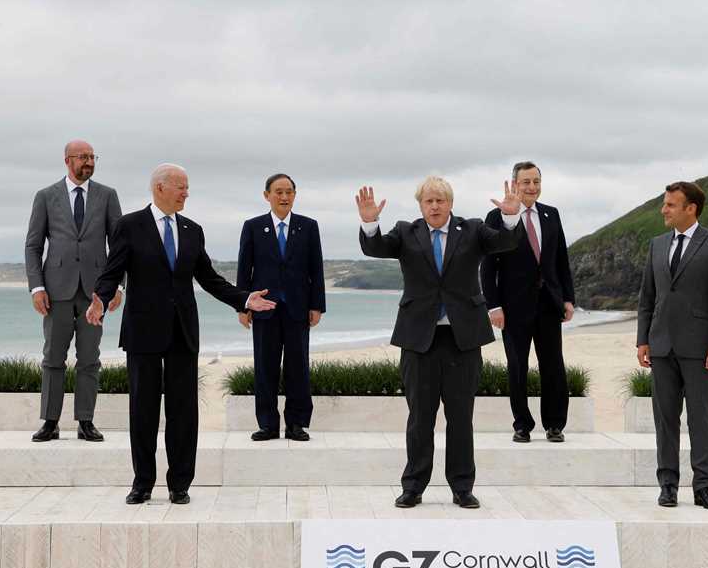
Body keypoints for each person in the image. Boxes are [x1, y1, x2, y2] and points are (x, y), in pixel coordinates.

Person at [86, 164, 276, 505]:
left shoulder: (193, 230)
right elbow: (112, 270)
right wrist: (100, 298)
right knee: (143, 411)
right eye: (181, 187)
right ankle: (142, 482)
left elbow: (209, 278)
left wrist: (244, 298)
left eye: (187, 187)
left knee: (183, 412)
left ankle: (180, 484)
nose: (186, 193)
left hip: (183, 332)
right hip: (143, 331)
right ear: (160, 188)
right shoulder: (129, 225)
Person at [357, 177, 524, 509]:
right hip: (419, 340)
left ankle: (462, 487)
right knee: (420, 416)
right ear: (421, 205)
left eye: (440, 201)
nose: (435, 206)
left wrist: (510, 217)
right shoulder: (406, 232)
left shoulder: (473, 229)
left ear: (450, 203)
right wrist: (369, 222)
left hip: (463, 339)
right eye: (429, 201)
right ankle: (414, 487)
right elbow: (374, 248)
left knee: (461, 417)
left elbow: (506, 242)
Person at [636, 181, 708, 511]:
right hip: (661, 345)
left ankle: (703, 486)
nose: (664, 209)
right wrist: (643, 340)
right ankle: (668, 485)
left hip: (700, 347)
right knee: (665, 419)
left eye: (670, 204)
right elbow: (647, 298)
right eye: (664, 204)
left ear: (690, 208)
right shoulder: (657, 244)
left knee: (701, 419)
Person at [24, 140, 123, 443]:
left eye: (93, 157)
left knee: (90, 358)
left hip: (96, 293)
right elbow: (33, 245)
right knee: (53, 357)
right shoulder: (46, 197)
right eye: (83, 157)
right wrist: (37, 287)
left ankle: (86, 421)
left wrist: (118, 286)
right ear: (67, 160)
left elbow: (119, 245)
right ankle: (50, 422)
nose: (89, 162)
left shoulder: (107, 196)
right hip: (56, 291)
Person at [480, 161, 577, 443]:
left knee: (553, 366)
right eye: (526, 182)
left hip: (549, 304)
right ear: (514, 184)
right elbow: (488, 266)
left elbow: (561, 260)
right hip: (513, 307)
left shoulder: (551, 214)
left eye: (536, 181)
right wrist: (493, 306)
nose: (531, 187)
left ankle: (555, 424)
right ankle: (522, 424)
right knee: (517, 366)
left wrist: (568, 298)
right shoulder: (496, 217)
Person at [236, 173, 326, 442]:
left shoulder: (309, 227)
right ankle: (267, 425)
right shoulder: (253, 227)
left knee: (298, 367)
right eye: (278, 192)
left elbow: (316, 269)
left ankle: (297, 424)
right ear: (267, 195)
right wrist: (243, 305)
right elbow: (244, 269)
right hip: (264, 308)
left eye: (289, 192)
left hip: (298, 308)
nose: (284, 197)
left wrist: (317, 305)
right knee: (265, 367)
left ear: (294, 195)